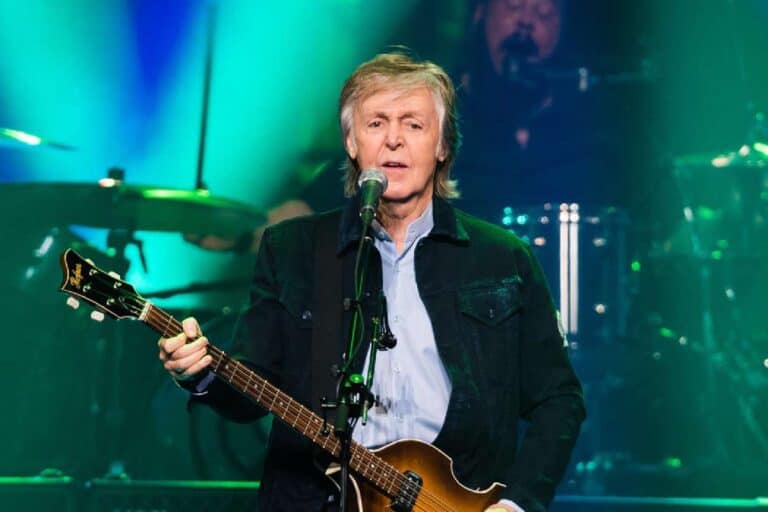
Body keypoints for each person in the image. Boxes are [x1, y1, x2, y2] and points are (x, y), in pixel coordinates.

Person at [157, 52, 585, 512]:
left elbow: (558, 400)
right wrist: (200, 373)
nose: (393, 140)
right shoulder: (294, 249)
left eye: (413, 124)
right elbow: (251, 390)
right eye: (376, 123)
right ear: (351, 142)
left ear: (443, 146)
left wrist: (517, 503)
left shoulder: (502, 258)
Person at [454, 0, 636, 223]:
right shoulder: (442, 114)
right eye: (514, 6)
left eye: (544, 14)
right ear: (481, 11)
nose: (526, 21)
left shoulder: (593, 129)